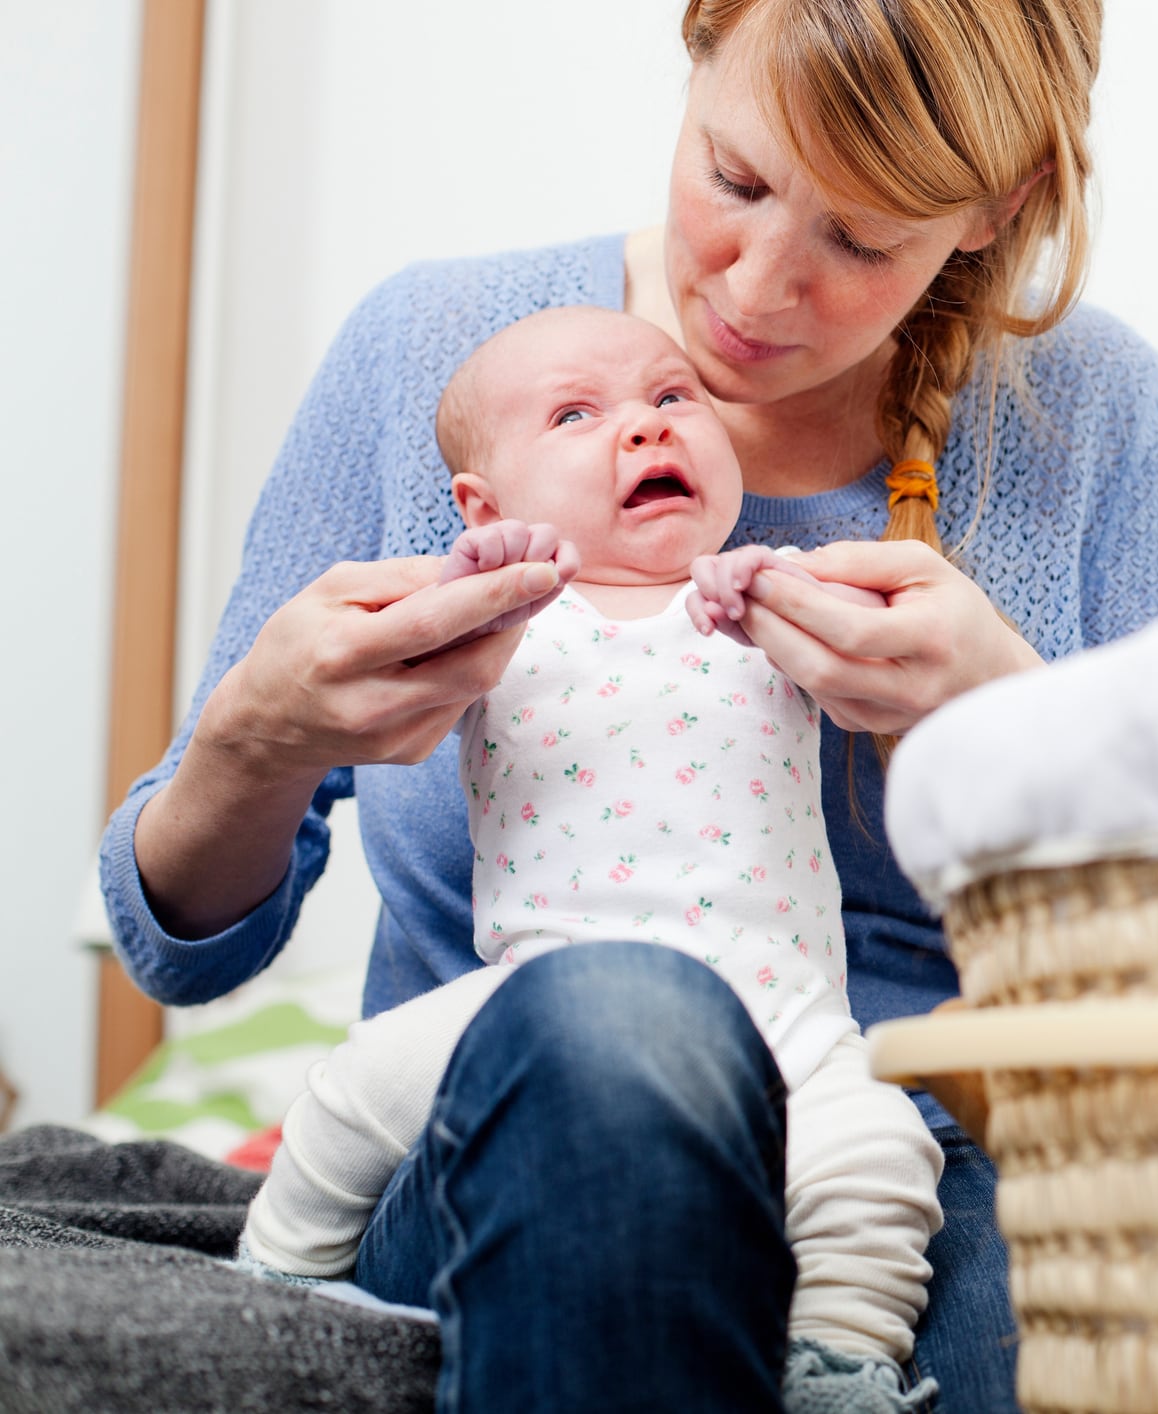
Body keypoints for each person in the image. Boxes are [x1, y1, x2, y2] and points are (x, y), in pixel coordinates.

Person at [97, 0, 1158, 1408]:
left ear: (1003, 207)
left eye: (861, 241)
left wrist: (1008, 719)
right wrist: (257, 739)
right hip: (524, 1122)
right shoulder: (438, 357)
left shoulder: (1090, 414)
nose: (753, 289)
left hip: (917, 1162)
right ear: (693, 50)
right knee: (624, 1021)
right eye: (734, 181)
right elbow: (178, 955)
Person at [236, 305, 943, 1412]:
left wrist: (794, 595)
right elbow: (414, 645)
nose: (645, 430)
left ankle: (839, 1360)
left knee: (881, 1152)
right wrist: (478, 575)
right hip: (540, 995)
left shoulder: (763, 601)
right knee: (355, 1085)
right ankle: (277, 1278)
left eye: (673, 400)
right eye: (577, 414)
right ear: (484, 505)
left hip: (782, 1007)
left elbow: (883, 650)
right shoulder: (505, 620)